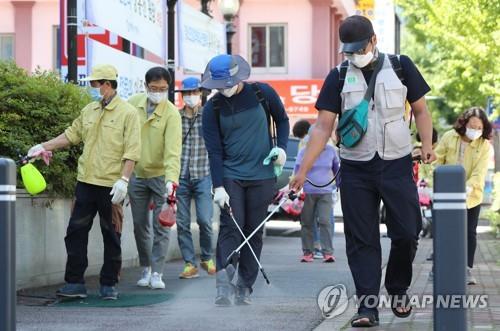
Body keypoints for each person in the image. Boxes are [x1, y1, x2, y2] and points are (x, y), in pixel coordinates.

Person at [290, 15, 435, 327]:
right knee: (361, 239)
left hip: (397, 163)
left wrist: (426, 145)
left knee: (408, 231)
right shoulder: (338, 75)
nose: (355, 54)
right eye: (349, 50)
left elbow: (421, 110)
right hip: (356, 168)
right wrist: (302, 170)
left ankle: (397, 288)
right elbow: (322, 127)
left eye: (360, 48)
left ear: (374, 40)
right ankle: (367, 306)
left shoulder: (400, 66)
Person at [28, 64, 141, 300]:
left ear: (107, 85)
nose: (92, 88)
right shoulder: (89, 110)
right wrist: (43, 147)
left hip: (112, 185)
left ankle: (109, 284)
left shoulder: (128, 114)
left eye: (95, 84)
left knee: (112, 234)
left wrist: (124, 180)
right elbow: (71, 135)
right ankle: (74, 283)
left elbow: (132, 150)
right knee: (75, 232)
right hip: (86, 182)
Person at [201, 54, 289, 306]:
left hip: (262, 174)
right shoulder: (212, 108)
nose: (223, 90)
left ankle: (245, 287)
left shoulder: (262, 93)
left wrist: (282, 149)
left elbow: (282, 120)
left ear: (238, 77)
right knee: (231, 226)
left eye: (226, 84)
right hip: (231, 175)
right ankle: (223, 286)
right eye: (218, 86)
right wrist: (218, 186)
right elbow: (215, 152)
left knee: (253, 231)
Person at [127, 67, 182, 289]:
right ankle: (146, 267)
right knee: (140, 225)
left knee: (162, 226)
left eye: (163, 89)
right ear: (145, 86)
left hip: (161, 176)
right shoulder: (132, 104)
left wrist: (171, 180)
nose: (158, 93)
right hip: (137, 174)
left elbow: (172, 150)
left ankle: (157, 272)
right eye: (154, 88)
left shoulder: (171, 113)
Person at [434, 107, 491, 285]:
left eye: (479, 127)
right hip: (445, 193)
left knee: (469, 232)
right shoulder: (449, 136)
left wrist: (466, 187)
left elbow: (479, 173)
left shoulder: (484, 146)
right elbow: (437, 159)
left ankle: (467, 269)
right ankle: (440, 267)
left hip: (471, 195)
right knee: (444, 231)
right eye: (472, 126)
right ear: (464, 124)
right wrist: (435, 181)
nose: (475, 130)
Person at [175, 77, 216, 279]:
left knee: (204, 220)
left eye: (193, 93)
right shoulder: (175, 117)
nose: (190, 97)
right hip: (180, 175)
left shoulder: (209, 116)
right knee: (182, 223)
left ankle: (207, 257)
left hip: (203, 174)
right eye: (187, 93)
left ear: (200, 94)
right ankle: (189, 264)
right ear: (182, 96)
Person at [294, 126, 339, 263]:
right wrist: (295, 185)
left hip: (325, 192)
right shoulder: (304, 152)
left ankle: (328, 252)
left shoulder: (331, 151)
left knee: (325, 221)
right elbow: (297, 169)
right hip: (308, 192)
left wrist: (339, 185)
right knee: (307, 222)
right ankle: (308, 252)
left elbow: (337, 169)